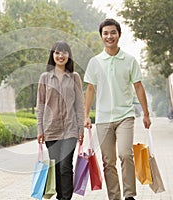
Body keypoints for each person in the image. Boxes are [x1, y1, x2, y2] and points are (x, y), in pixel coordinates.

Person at [83, 18, 151, 200]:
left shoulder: (129, 60)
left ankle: (129, 195)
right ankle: (114, 197)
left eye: (113, 32)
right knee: (108, 162)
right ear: (101, 37)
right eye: (105, 33)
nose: (109, 36)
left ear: (119, 35)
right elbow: (90, 89)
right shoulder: (95, 62)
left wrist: (146, 113)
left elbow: (138, 87)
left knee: (125, 154)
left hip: (125, 116)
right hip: (103, 118)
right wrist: (85, 115)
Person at [36, 41, 85, 200]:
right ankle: (59, 196)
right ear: (52, 55)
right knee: (56, 166)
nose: (60, 55)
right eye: (57, 52)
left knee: (65, 166)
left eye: (64, 52)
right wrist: (40, 130)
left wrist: (80, 128)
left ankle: (65, 198)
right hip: (51, 129)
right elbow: (41, 106)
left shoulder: (74, 77)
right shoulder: (45, 77)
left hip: (70, 128)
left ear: (69, 56)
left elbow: (79, 104)